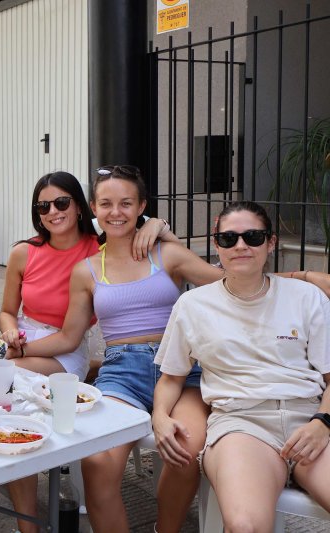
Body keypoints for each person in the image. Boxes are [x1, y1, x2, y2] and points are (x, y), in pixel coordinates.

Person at [12, 165, 230, 533]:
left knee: (186, 450)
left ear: (141, 205)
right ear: (93, 208)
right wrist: (20, 349)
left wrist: (303, 279)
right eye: (107, 203)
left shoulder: (168, 255)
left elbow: (230, 281)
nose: (116, 212)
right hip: (122, 373)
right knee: (96, 463)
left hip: (180, 369)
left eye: (126, 203)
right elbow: (68, 337)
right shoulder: (86, 270)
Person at [154, 201, 330, 532]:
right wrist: (160, 416)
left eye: (252, 237)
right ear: (215, 243)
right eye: (228, 239)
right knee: (245, 526)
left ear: (271, 242)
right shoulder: (193, 306)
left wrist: (323, 423)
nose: (240, 246)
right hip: (242, 424)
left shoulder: (305, 297)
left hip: (310, 419)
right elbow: (171, 378)